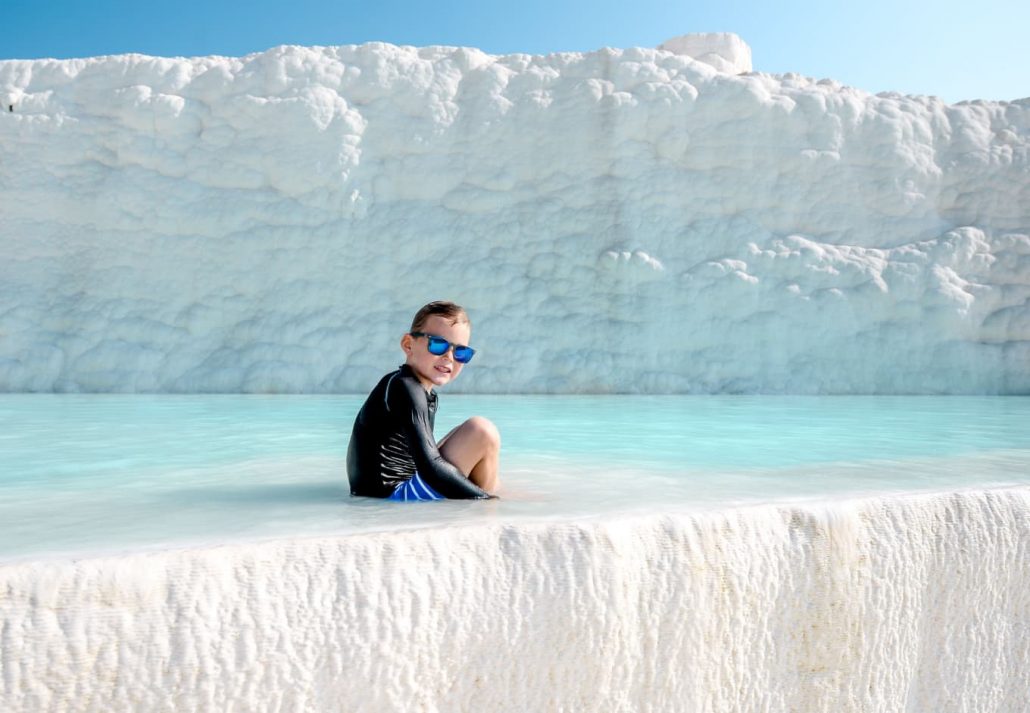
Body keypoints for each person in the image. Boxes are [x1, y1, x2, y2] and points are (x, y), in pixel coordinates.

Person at [347, 301, 501, 500]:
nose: (449, 357)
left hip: (386, 494)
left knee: (489, 469)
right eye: (438, 345)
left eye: (461, 352)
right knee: (481, 431)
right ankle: (484, 516)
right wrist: (487, 501)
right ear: (408, 344)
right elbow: (431, 466)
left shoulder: (414, 388)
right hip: (392, 499)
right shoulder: (405, 387)